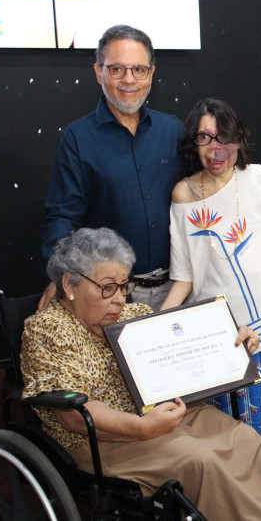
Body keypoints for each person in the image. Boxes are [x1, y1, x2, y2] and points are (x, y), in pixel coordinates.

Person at [21, 227, 261, 521]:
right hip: (103, 440)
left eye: (124, 287)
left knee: (242, 437)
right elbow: (72, 415)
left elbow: (181, 348)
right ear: (69, 285)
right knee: (200, 460)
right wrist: (142, 428)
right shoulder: (47, 330)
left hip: (163, 417)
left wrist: (230, 341)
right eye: (108, 288)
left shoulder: (134, 315)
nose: (119, 300)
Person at [160, 98, 261, 485]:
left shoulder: (260, 178)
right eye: (204, 137)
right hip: (228, 337)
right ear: (193, 142)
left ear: (238, 139)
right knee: (244, 437)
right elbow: (185, 277)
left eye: (224, 137)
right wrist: (154, 326)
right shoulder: (183, 195)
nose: (215, 148)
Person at [39, 25, 185, 311]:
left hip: (180, 290)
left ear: (151, 74)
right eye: (117, 69)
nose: (129, 80)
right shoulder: (77, 139)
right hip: (111, 296)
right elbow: (62, 216)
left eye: (139, 70)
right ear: (99, 72)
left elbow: (203, 194)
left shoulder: (173, 131)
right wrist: (61, 274)